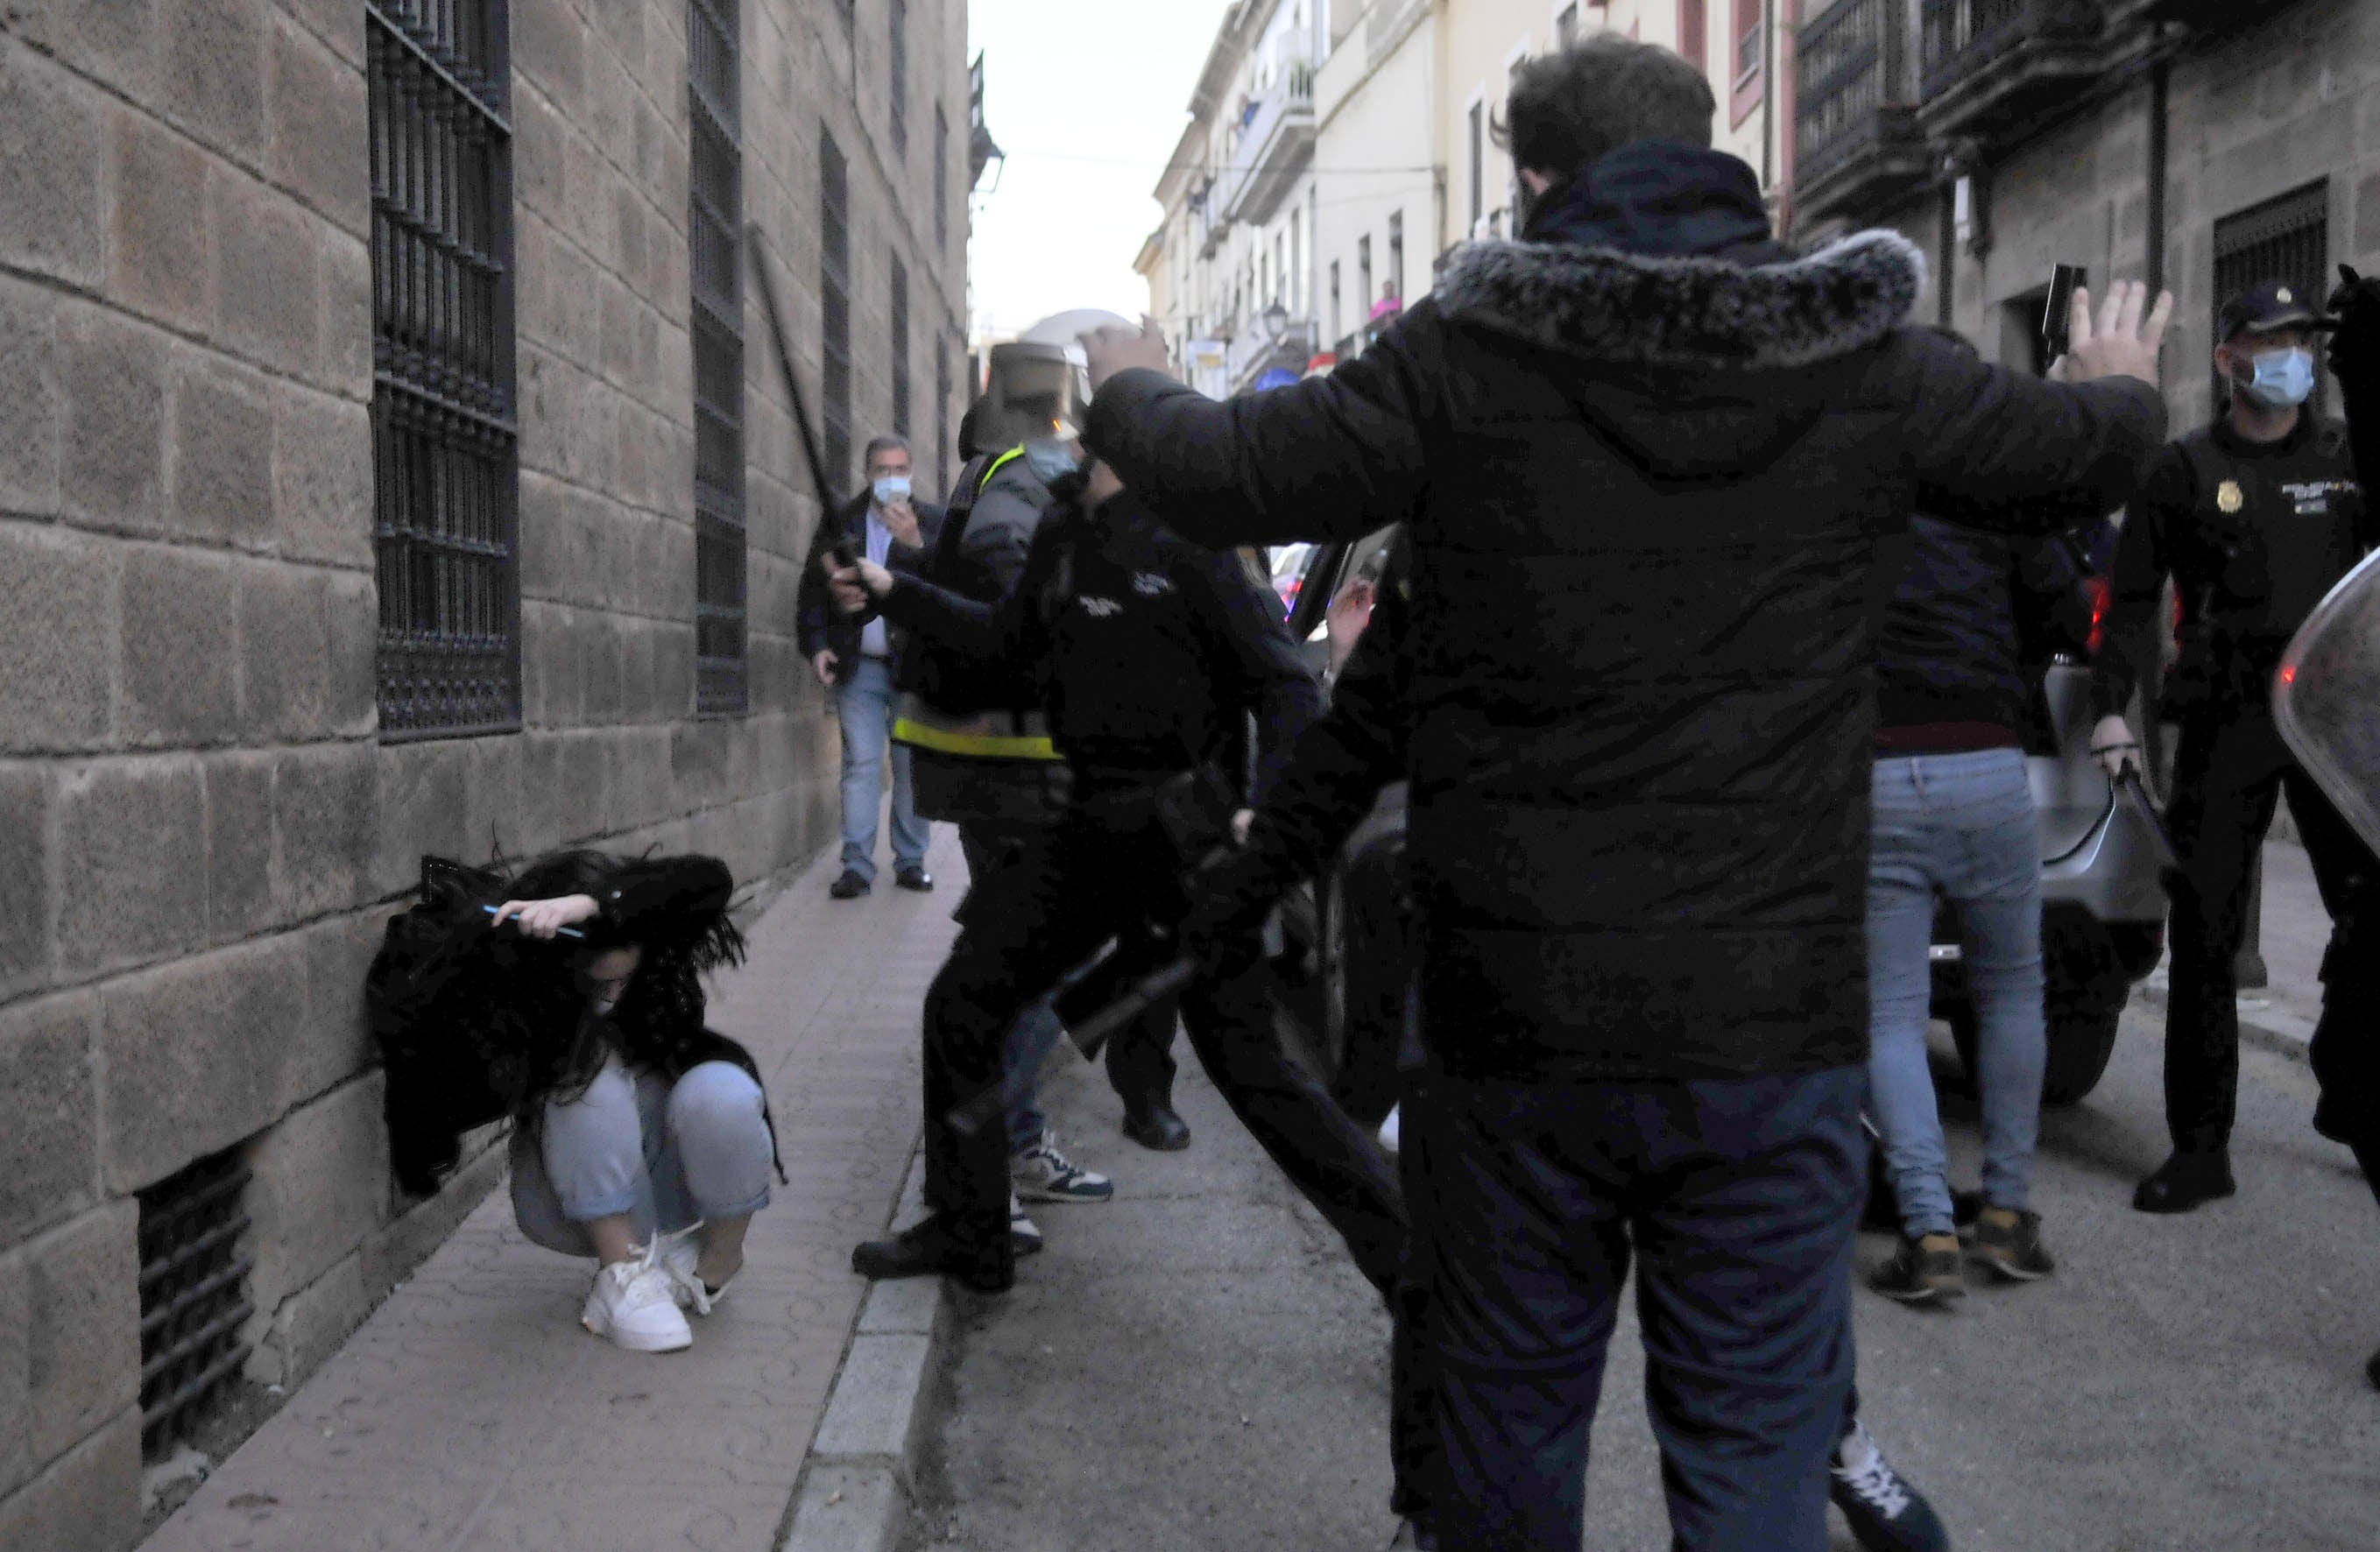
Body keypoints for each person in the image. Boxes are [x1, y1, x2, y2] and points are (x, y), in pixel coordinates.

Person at [1082, 33, 2171, 1551]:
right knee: (1750, 1465)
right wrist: (2119, 384)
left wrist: (1127, 384)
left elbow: (1222, 474)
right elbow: (2072, 454)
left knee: (1506, 1449)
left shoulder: (1459, 366)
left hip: (1516, 1032)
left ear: (1534, 182)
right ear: (1713, 167)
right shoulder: (1861, 357)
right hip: (1766, 1029)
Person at [1184, 541, 1950, 1552]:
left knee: (1753, 1309)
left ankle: (1835, 1439)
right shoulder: (1479, 476)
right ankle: (1432, 1503)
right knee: (1452, 1283)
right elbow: (1355, 728)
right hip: (1500, 973)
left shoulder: (1769, 467)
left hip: (1727, 987)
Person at [827, 454, 1411, 1308]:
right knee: (964, 1000)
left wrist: (1264, 813)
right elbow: (1002, 639)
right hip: (1081, 831)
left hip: (1182, 847)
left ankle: (1417, 1274)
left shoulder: (1195, 542)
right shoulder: (1067, 535)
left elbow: (1286, 684)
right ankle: (972, 1228)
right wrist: (894, 588)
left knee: (1254, 1072)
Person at [2088, 279, 2377, 1216]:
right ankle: (2199, 1146)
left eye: (2301, 339)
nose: (2290, 355)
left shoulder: (2345, 458)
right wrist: (2107, 710)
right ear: (2226, 359)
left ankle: (2356, 1090)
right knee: (2206, 938)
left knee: (2368, 926)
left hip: (2331, 723)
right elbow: (2130, 602)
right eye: (2270, 339)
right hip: (2224, 720)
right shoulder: (2182, 468)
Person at [1863, 353, 2100, 1298]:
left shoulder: (1846, 500)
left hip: (1875, 771)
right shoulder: (1997, 499)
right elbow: (2062, 612)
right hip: (1986, 762)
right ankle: (2004, 1215)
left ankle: (1926, 1231)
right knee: (2010, 991)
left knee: (1885, 1008)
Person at [367, 850, 776, 1355]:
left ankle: (715, 1266)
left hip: (681, 1180)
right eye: (599, 984)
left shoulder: (652, 951)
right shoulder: (521, 996)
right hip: (574, 1198)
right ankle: (621, 1278)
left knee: (724, 1091)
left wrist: (595, 904)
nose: (613, 996)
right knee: (586, 1069)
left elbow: (712, 878)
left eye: (624, 981)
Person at [796, 434, 943, 899]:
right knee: (860, 763)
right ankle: (856, 866)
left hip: (912, 667)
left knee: (908, 764)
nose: (891, 478)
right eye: (882, 470)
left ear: (912, 473)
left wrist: (915, 544)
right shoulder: (843, 520)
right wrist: (817, 645)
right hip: (857, 665)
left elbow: (947, 591)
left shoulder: (932, 522)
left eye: (900, 469)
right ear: (867, 474)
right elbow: (813, 589)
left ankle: (912, 861)